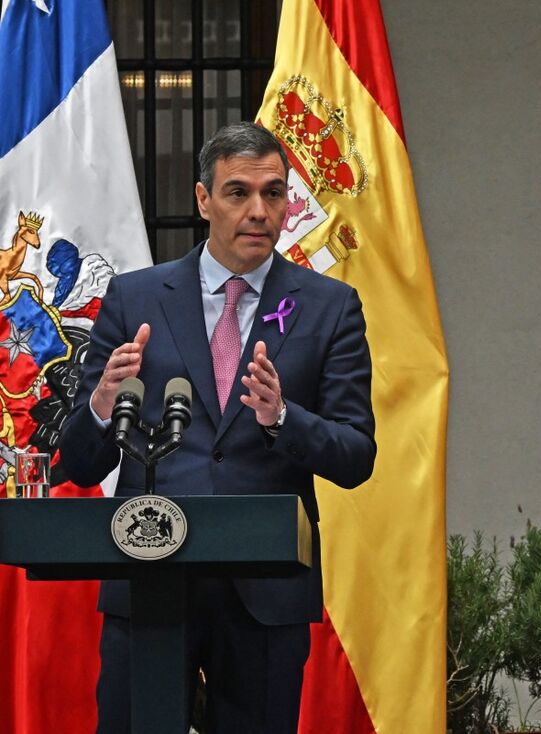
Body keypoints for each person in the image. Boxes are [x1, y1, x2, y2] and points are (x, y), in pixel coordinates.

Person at [60, 122, 376, 734]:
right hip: (149, 579)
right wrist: (100, 404)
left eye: (275, 194)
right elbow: (79, 462)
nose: (259, 211)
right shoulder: (135, 299)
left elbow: (356, 454)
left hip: (265, 592)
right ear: (203, 200)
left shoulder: (329, 307)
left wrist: (283, 418)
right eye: (238, 193)